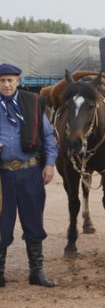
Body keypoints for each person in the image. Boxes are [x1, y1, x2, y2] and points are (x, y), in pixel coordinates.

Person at [0, 63, 57, 287]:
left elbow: (48, 136)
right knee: (1, 222)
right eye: (2, 80)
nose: (5, 84)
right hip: (2, 175)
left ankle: (37, 271)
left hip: (30, 170)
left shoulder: (32, 103)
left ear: (18, 81)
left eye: (9, 80)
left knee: (33, 220)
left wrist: (50, 164)